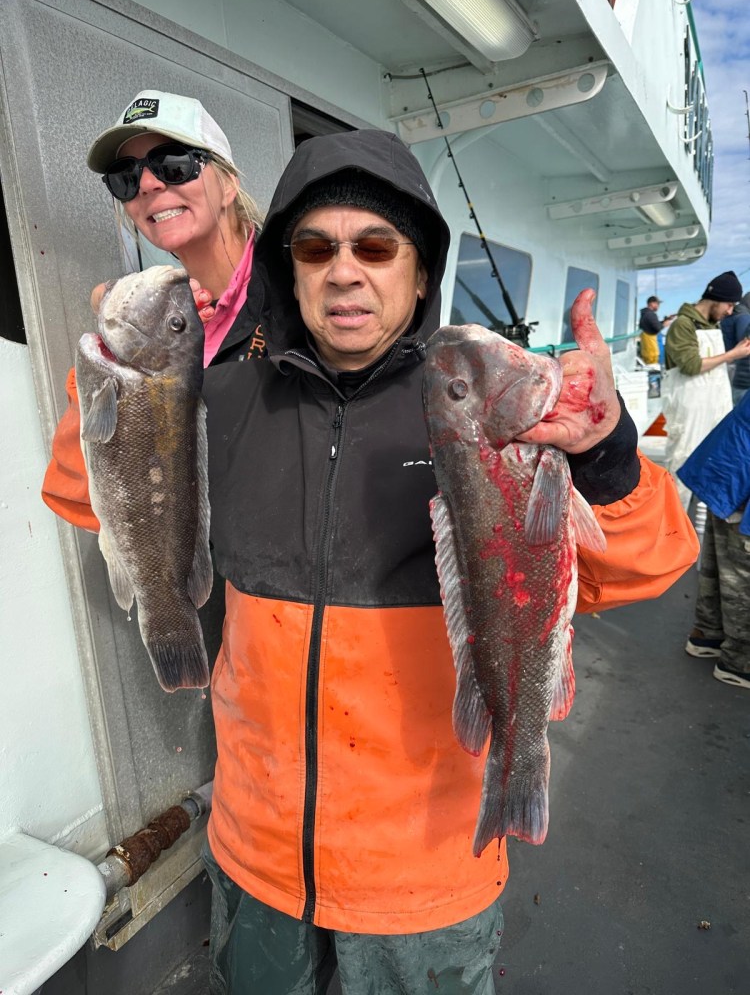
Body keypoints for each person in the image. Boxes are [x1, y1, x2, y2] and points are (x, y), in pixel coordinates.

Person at [45, 127, 699, 994]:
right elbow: (84, 498)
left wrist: (610, 453)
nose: (343, 270)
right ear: (290, 267)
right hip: (256, 852)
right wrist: (116, 387)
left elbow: (641, 569)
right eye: (315, 247)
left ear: (420, 271)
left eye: (375, 246)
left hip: (424, 882)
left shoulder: (482, 411)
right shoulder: (224, 391)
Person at [42, 89, 265, 529]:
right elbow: (80, 495)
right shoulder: (151, 324)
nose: (147, 184)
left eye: (173, 163)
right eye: (126, 177)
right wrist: (109, 359)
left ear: (228, 182)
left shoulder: (299, 289)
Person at [678, 391, 750, 689]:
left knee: (716, 564)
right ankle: (739, 661)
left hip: (728, 472)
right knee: (741, 577)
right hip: (738, 480)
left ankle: (707, 634)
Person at [662, 271, 750, 510]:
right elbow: (691, 366)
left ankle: (700, 520)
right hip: (690, 413)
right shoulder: (683, 325)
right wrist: (734, 354)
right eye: (729, 305)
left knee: (711, 465)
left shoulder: (713, 325)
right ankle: (672, 526)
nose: (730, 311)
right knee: (680, 465)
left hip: (713, 408)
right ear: (716, 299)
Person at [720, 291, 750, 406]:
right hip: (737, 366)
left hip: (729, 363)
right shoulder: (744, 317)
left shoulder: (730, 316)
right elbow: (744, 344)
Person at [638, 294, 667, 365]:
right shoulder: (651, 315)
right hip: (652, 352)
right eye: (657, 303)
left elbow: (652, 325)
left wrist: (663, 322)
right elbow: (657, 328)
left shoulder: (645, 314)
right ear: (651, 303)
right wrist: (665, 324)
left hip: (646, 351)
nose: (658, 306)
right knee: (653, 369)